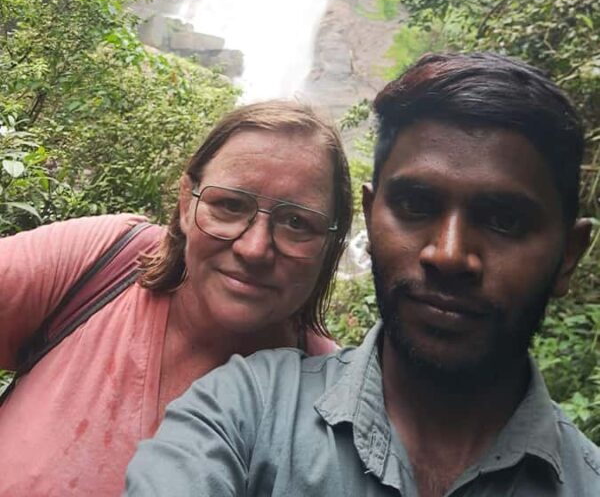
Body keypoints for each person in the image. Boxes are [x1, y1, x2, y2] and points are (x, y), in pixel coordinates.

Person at [125, 52, 599, 497]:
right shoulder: (241, 410)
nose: (449, 255)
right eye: (415, 205)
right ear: (370, 220)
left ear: (568, 255)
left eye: (504, 220)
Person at [0, 100, 353, 497]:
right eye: (230, 205)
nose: (254, 249)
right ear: (187, 202)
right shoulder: (99, 263)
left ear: (331, 243)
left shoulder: (332, 409)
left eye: (297, 223)